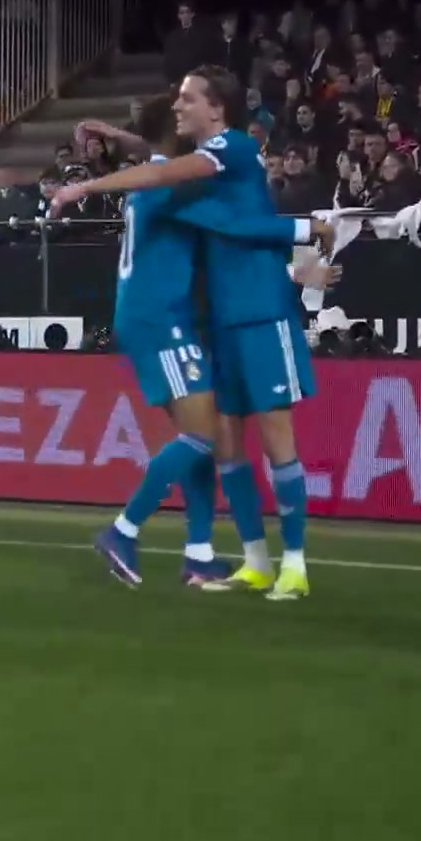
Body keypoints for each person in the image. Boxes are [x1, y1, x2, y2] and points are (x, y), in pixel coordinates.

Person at [50, 67, 320, 602]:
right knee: (204, 437)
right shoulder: (176, 182)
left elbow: (166, 163)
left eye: (187, 99)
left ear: (216, 108)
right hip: (170, 317)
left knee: (221, 439)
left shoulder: (222, 152)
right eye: (175, 103)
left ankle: (215, 555)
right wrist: (305, 229)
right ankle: (127, 531)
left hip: (218, 316)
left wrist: (111, 147)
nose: (178, 107)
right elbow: (226, 219)